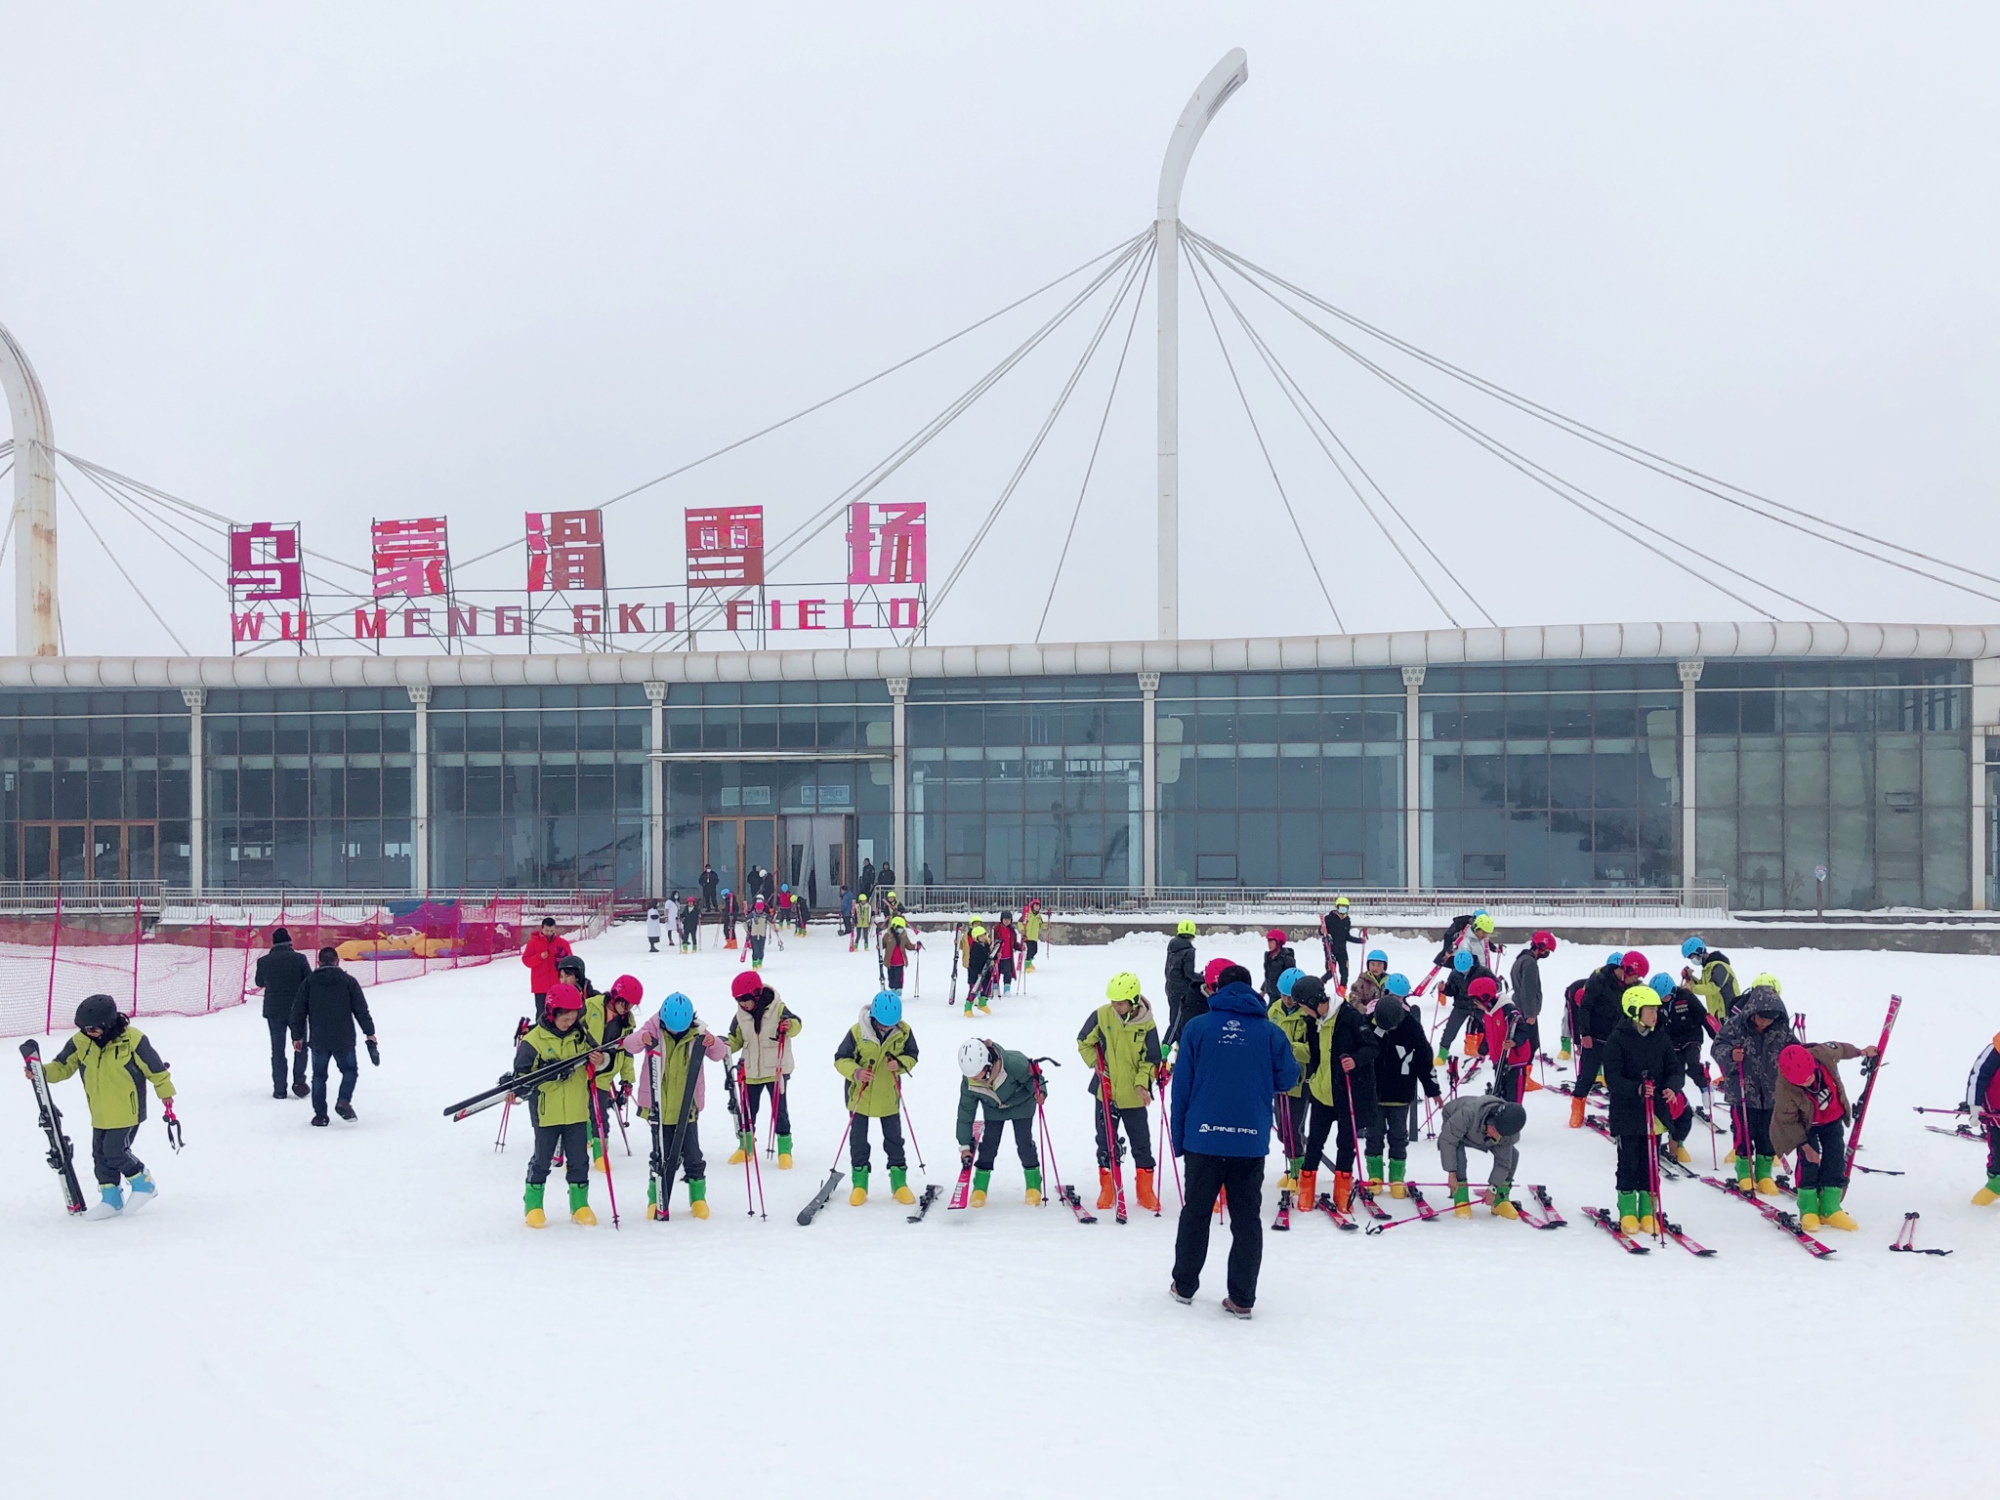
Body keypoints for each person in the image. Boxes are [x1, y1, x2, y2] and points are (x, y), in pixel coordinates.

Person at [1168, 961, 1300, 1320]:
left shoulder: (1197, 1028)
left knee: (1195, 1213)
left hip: (1203, 1139)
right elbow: (1288, 1078)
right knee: (1246, 1220)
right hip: (1249, 1142)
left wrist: (1178, 1140)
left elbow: (1181, 1090)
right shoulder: (1271, 1032)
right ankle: (1241, 1298)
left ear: (1217, 989)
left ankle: (1184, 1285)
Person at [36, 994, 175, 1216]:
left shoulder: (133, 1039)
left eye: (92, 1029)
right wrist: (40, 1072)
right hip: (100, 1111)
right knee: (99, 1155)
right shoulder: (81, 1042)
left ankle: (143, 1183)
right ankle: (111, 1199)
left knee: (114, 1151)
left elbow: (155, 1068)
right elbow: (62, 1067)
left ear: (108, 1023)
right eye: (84, 1028)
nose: (87, 1033)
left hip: (127, 1109)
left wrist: (165, 1094)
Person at [622, 991, 728, 1220]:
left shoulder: (699, 1031)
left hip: (686, 1108)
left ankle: (698, 1198)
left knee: (693, 1155)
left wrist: (714, 1042)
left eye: (680, 1029)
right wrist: (642, 1039)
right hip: (658, 1108)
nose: (676, 1033)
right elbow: (628, 1045)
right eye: (671, 1029)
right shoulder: (652, 1028)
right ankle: (655, 1198)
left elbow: (719, 1054)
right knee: (659, 1155)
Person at [513, 982, 604, 1227]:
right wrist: (544, 1075)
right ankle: (533, 1205)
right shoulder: (533, 1040)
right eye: (565, 1018)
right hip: (547, 1113)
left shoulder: (581, 1035)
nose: (569, 1022)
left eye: (573, 1017)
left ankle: (580, 1205)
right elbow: (521, 1077)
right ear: (552, 1013)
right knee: (543, 1159)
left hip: (576, 1110)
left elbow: (601, 1060)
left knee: (579, 1160)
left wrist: (600, 1060)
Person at [1077, 972, 1163, 1211]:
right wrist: (1095, 1063)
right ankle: (1108, 1188)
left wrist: (1141, 1083)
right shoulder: (1102, 1015)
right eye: (1113, 1001)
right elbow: (1083, 1041)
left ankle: (1145, 1190)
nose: (1116, 1006)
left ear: (1134, 1001)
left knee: (1141, 1144)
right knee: (1104, 1141)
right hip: (1105, 1092)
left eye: (1121, 1002)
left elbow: (1151, 1059)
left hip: (1134, 1097)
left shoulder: (1146, 1024)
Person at [1602, 981, 1684, 1234]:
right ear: (1635, 1010)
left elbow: (1674, 1068)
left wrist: (1672, 1086)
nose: (1655, 1014)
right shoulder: (1617, 1039)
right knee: (1628, 1161)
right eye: (1651, 1010)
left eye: (1657, 1010)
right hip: (1628, 1113)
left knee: (1650, 1163)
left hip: (1654, 1112)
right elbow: (1612, 1078)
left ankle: (1648, 1211)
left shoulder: (1660, 1037)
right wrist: (1636, 1088)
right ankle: (1628, 1211)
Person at [1772, 1037, 1876, 1232]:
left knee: (1835, 1157)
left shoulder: (1823, 1053)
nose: (1807, 1082)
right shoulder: (1784, 1089)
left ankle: (1830, 1208)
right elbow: (1787, 1121)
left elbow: (1842, 1048)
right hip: (1804, 1126)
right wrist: (1805, 1146)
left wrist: (1862, 1051)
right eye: (1801, 1082)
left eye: (1809, 1077)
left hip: (1832, 1117)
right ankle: (1809, 1209)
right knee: (1809, 1163)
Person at [1710, 976, 1798, 1195]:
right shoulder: (1737, 1026)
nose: (1764, 1023)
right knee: (1743, 1133)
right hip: (1742, 1092)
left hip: (1772, 1093)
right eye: (1761, 1018)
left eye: (1769, 1019)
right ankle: (1745, 1173)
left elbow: (1795, 1051)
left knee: (1768, 1134)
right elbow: (1717, 1046)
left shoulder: (1782, 1030)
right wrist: (1731, 1055)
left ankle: (1764, 1174)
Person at [834, 990, 919, 1205]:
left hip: (888, 1094)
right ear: (874, 1017)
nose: (887, 1029)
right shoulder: (857, 1032)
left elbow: (912, 1055)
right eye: (883, 1025)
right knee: (859, 1142)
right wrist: (856, 1072)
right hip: (860, 1096)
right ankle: (860, 1185)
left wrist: (900, 1064)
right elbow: (840, 1058)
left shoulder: (904, 1032)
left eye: (891, 1025)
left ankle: (899, 1184)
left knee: (894, 1140)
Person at [1296, 972, 1371, 1213]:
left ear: (1313, 1002)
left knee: (1345, 1144)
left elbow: (1372, 1047)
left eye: (1303, 1007)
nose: (1303, 1013)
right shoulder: (1313, 1021)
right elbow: (1315, 1055)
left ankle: (1342, 1194)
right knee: (1314, 1143)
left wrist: (1355, 1060)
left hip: (1346, 1094)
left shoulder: (1349, 1015)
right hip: (1320, 1093)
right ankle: (1305, 1193)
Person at [1365, 980, 1439, 1197]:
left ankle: (1397, 1177)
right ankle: (1375, 1175)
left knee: (1398, 1136)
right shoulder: (1368, 1024)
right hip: (1374, 1095)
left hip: (1400, 1095)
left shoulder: (1411, 1027)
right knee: (1374, 1135)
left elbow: (1424, 1059)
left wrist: (1432, 1089)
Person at [290, 947, 378, 1127]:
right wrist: (369, 1032)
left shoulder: (309, 982)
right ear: (338, 961)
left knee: (319, 1076)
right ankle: (343, 1101)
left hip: (319, 1038)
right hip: (344, 1037)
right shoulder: (348, 982)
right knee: (349, 1071)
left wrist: (297, 1036)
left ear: (318, 963)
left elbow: (298, 1012)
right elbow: (361, 1010)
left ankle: (320, 1115)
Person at [956, 1037, 1046, 1207]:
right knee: (989, 1144)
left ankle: (1033, 1185)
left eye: (977, 1074)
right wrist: (964, 1146)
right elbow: (965, 1112)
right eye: (971, 1076)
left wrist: (1040, 1092)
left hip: (1022, 1104)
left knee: (1024, 1142)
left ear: (987, 1063)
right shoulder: (969, 1081)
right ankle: (980, 1187)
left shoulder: (1013, 1063)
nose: (975, 1078)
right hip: (994, 1109)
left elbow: (1034, 1078)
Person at [725, 970, 802, 1169]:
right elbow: (735, 1040)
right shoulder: (740, 1016)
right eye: (738, 1000)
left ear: (757, 995)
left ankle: (785, 1150)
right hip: (751, 1071)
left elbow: (796, 1025)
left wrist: (789, 1025)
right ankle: (745, 1147)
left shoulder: (778, 1008)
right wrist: (722, 1045)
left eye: (745, 1000)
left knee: (780, 1111)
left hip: (776, 1070)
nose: (742, 1004)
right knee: (748, 1111)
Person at [1570, 951, 1650, 1126]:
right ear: (1627, 970)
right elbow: (1585, 1007)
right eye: (1635, 976)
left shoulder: (1632, 987)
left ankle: (1618, 1113)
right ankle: (1577, 1108)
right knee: (1587, 1075)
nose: (1636, 980)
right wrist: (1585, 1034)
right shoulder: (1600, 980)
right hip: (1595, 1037)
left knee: (1616, 1079)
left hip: (1616, 1040)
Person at [1437, 1095, 1526, 1219]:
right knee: (1458, 1157)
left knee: (1513, 1155)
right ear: (1491, 1121)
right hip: (1458, 1123)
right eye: (1494, 1130)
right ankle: (1461, 1198)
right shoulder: (1467, 1114)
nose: (1495, 1135)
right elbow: (1448, 1140)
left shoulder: (1506, 1132)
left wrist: (1493, 1187)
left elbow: (1503, 1161)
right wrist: (1451, 1173)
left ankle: (1500, 1200)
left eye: (1499, 1134)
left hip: (1480, 1132)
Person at [1267, 968, 1315, 1192]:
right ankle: (1292, 1166)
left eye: (1291, 997)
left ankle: (1299, 1171)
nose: (1286, 1001)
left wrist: (1288, 1048)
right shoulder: (1274, 1010)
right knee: (1282, 1129)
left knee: (1293, 1128)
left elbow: (1311, 1051)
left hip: (1299, 1081)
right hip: (1277, 1080)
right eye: (1283, 995)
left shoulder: (1308, 1015)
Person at [590, 975, 641, 1170]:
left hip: (605, 1074)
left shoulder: (627, 1022)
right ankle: (579, 1147)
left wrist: (627, 1079)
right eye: (625, 1003)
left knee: (600, 1114)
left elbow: (628, 1052)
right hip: (581, 1071)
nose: (627, 1009)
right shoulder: (590, 1006)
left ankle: (600, 1154)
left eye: (631, 1005)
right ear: (616, 996)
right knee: (580, 1112)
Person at [255, 925, 312, 1100]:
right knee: (300, 1046)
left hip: (274, 1011)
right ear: (289, 942)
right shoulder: (300, 959)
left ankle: (280, 1089)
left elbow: (259, 982)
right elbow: (309, 981)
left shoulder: (264, 961)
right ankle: (299, 1081)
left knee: (277, 1050)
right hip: (297, 1010)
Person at [1470, 976, 1533, 1103]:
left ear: (1485, 998)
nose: (1476, 1005)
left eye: (1477, 1002)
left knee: (1513, 1098)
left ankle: (1513, 1118)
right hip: (1499, 1061)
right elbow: (1489, 1035)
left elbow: (1525, 1030)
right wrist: (1483, 1051)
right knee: (1500, 1094)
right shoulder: (1488, 1014)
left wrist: (1515, 1042)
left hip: (1515, 1062)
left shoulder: (1508, 1010)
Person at [1437, 947, 1498, 1059]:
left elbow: (1497, 986)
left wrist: (1485, 995)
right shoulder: (1454, 974)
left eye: (1465, 970)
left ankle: (1492, 1051)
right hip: (1461, 1005)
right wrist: (1444, 989)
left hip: (1480, 1006)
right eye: (1460, 970)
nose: (1463, 972)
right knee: (1450, 1029)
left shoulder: (1483, 971)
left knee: (1490, 1027)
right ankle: (1442, 1053)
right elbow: (1452, 990)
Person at [1508, 931, 1556, 1063]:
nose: (1547, 954)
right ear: (1539, 947)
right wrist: (1530, 1014)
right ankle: (1524, 1076)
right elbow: (1528, 990)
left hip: (1520, 1006)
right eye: (1547, 950)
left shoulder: (1522, 959)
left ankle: (1523, 1075)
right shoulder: (1530, 964)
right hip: (1525, 1010)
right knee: (1531, 1043)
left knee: (1525, 1042)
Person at [1968, 1034, 2000, 1206]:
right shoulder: (1996, 1050)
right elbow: (1978, 1076)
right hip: (1997, 1119)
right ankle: (1996, 1185)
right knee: (1998, 1155)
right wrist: (1974, 1105)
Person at [1680, 935, 1741, 1020]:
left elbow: (1713, 987)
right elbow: (1703, 986)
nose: (1692, 960)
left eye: (1692, 957)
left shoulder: (1719, 966)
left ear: (1700, 951)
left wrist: (1692, 988)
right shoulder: (1708, 968)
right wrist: (1690, 977)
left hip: (1729, 1014)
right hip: (1718, 1015)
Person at [1164, 918, 1202, 1045]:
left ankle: (1179, 1049)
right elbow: (1189, 974)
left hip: (1170, 988)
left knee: (1178, 1022)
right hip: (1181, 992)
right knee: (1176, 1024)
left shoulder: (1172, 947)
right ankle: (1163, 1051)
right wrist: (1203, 978)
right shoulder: (1189, 951)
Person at [521, 916, 571, 1008]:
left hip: (558, 984)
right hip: (540, 986)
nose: (549, 933)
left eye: (552, 931)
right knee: (541, 1013)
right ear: (542, 928)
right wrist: (539, 957)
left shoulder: (563, 943)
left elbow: (570, 961)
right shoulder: (533, 943)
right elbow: (526, 960)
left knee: (559, 1012)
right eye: (547, 931)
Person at [1320, 896, 1359, 990]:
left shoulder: (1347, 920)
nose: (1343, 909)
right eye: (1341, 906)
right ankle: (1319, 984)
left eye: (1345, 907)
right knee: (1331, 972)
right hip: (1331, 949)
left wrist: (1359, 940)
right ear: (1337, 906)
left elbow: (1347, 936)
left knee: (1345, 972)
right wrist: (1324, 933)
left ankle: (1342, 992)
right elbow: (1321, 932)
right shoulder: (1329, 918)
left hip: (1342, 950)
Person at [882, 915, 920, 997]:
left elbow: (909, 945)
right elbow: (883, 945)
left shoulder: (903, 936)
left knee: (898, 978)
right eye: (899, 927)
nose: (901, 929)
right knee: (891, 978)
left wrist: (916, 947)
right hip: (890, 962)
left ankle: (898, 992)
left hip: (900, 962)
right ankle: (892, 992)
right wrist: (879, 945)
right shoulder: (887, 936)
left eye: (902, 927)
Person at [960, 921, 992, 1015]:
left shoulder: (986, 945)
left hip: (985, 971)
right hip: (975, 972)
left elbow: (988, 956)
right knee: (974, 989)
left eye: (984, 935)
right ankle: (968, 1007)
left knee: (987, 987)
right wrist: (979, 971)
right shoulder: (975, 947)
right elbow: (975, 962)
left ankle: (982, 1003)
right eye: (981, 936)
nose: (984, 938)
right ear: (976, 938)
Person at [1259, 929, 1296, 1003]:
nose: (1269, 945)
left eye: (1272, 942)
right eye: (1268, 942)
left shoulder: (1286, 958)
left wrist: (1287, 995)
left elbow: (1291, 977)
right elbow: (1269, 975)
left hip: (1282, 996)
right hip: (1271, 993)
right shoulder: (1268, 957)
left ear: (1279, 943)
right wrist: (1263, 990)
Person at [994, 912, 1019, 995]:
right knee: (995, 973)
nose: (1006, 921)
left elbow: (1014, 944)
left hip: (1007, 957)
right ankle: (995, 988)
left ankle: (1007, 989)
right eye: (1005, 919)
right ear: (1001, 920)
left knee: (1007, 973)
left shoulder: (1011, 932)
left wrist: (1021, 947)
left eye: (1008, 919)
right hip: (997, 956)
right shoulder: (996, 929)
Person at [746, 898, 770, 970]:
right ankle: (754, 965)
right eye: (758, 909)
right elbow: (744, 923)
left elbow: (770, 922)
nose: (759, 910)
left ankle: (760, 962)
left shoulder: (765, 916)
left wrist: (775, 928)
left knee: (761, 950)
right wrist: (747, 930)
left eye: (760, 909)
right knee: (755, 950)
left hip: (762, 935)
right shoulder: (751, 916)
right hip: (753, 935)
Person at [1022, 900, 1045, 973]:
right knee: (1030, 951)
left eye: (1038, 906)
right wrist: (1022, 930)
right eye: (1036, 906)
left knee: (1035, 951)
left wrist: (1045, 926)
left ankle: (1030, 962)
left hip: (1034, 937)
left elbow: (1041, 925)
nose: (1037, 907)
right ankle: (1027, 965)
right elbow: (1020, 923)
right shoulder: (1027, 914)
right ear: (1032, 906)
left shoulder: (1039, 917)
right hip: (1028, 936)